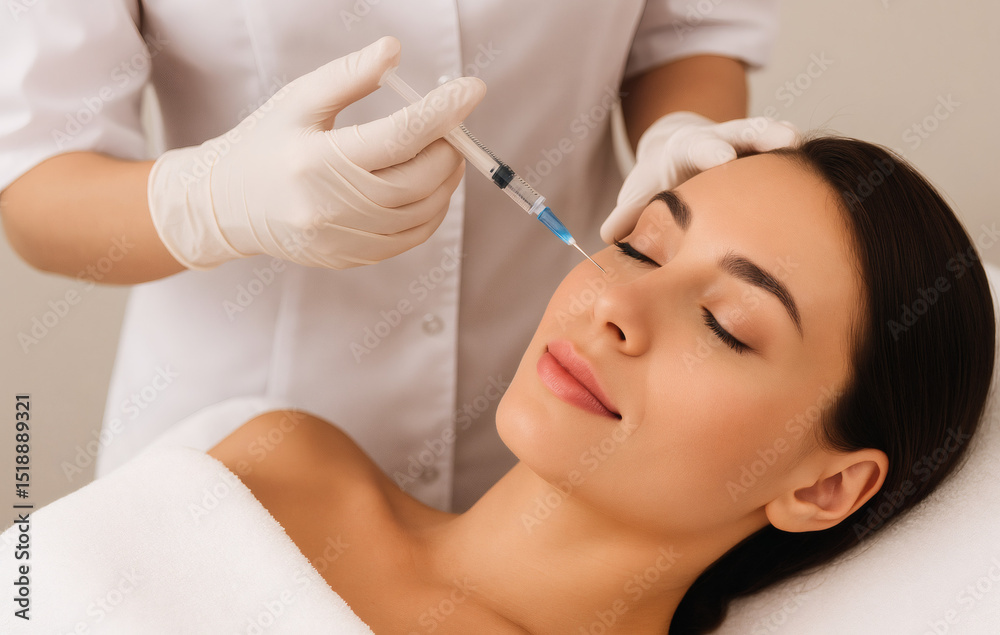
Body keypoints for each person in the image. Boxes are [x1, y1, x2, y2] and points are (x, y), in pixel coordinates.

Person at [0, 0, 797, 512]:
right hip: (226, 444)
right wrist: (213, 200)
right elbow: (36, 182)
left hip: (539, 427)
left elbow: (685, 28)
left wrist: (680, 135)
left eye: (730, 327)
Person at [202, 137, 996, 633]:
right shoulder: (281, 467)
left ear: (826, 488)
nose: (615, 301)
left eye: (725, 323)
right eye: (645, 247)